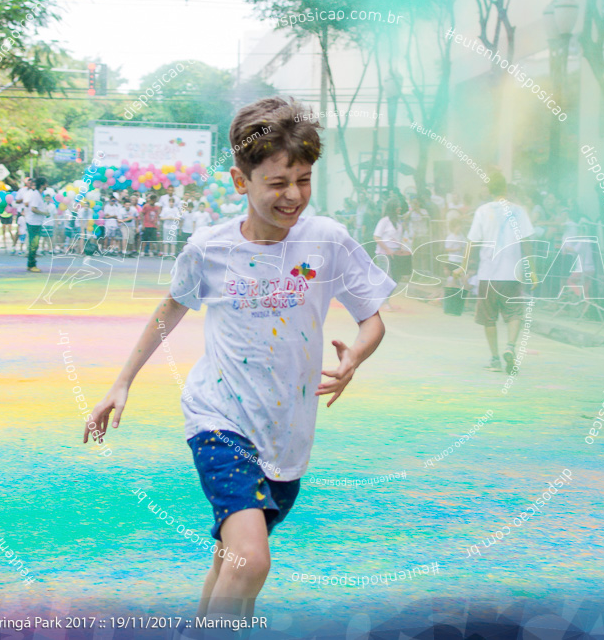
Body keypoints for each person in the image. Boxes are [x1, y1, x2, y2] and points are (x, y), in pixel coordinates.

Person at [82, 96, 392, 622]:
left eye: (304, 180)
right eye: (277, 183)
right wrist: (122, 382)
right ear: (240, 181)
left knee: (232, 563)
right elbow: (168, 311)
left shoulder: (328, 241)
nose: (293, 196)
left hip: (287, 436)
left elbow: (373, 317)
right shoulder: (209, 249)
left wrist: (354, 357)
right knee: (249, 562)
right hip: (219, 420)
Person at [463, 174, 534, 373]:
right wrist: (533, 271)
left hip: (488, 273)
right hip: (513, 273)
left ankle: (495, 359)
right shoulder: (519, 211)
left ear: (489, 190)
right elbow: (526, 242)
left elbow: (472, 242)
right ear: (506, 189)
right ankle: (510, 346)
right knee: (514, 313)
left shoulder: (483, 211)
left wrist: (463, 266)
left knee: (488, 317)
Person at [373, 199, 408, 311]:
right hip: (384, 253)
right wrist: (387, 249)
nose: (400, 208)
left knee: (397, 277)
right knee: (388, 277)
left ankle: (383, 299)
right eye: (397, 206)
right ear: (392, 208)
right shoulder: (384, 221)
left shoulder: (398, 222)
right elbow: (376, 237)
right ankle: (384, 302)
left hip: (396, 253)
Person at [24, 177, 49, 272]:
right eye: (46, 184)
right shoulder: (35, 195)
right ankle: (31, 264)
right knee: (34, 244)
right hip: (33, 222)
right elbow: (33, 209)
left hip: (36, 222)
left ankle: (30, 264)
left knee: (34, 244)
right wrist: (44, 213)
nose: (47, 186)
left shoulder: (38, 194)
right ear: (42, 185)